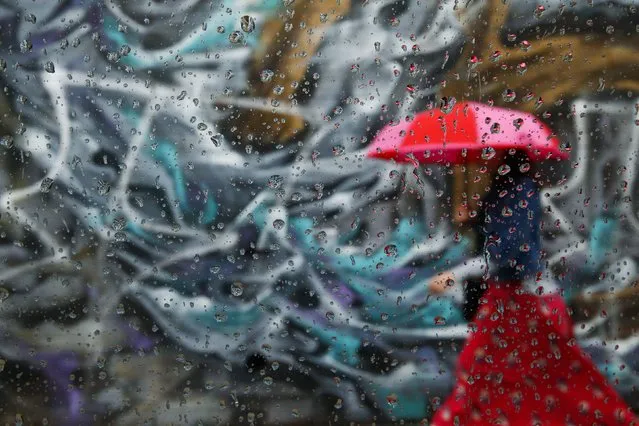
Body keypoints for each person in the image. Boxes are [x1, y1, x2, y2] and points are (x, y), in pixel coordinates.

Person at [429, 149, 637, 425]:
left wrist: (453, 274)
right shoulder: (508, 189)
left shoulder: (518, 190)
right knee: (541, 381)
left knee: (490, 374)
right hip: (516, 303)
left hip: (523, 305)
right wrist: (477, 219)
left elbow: (508, 254)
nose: (486, 156)